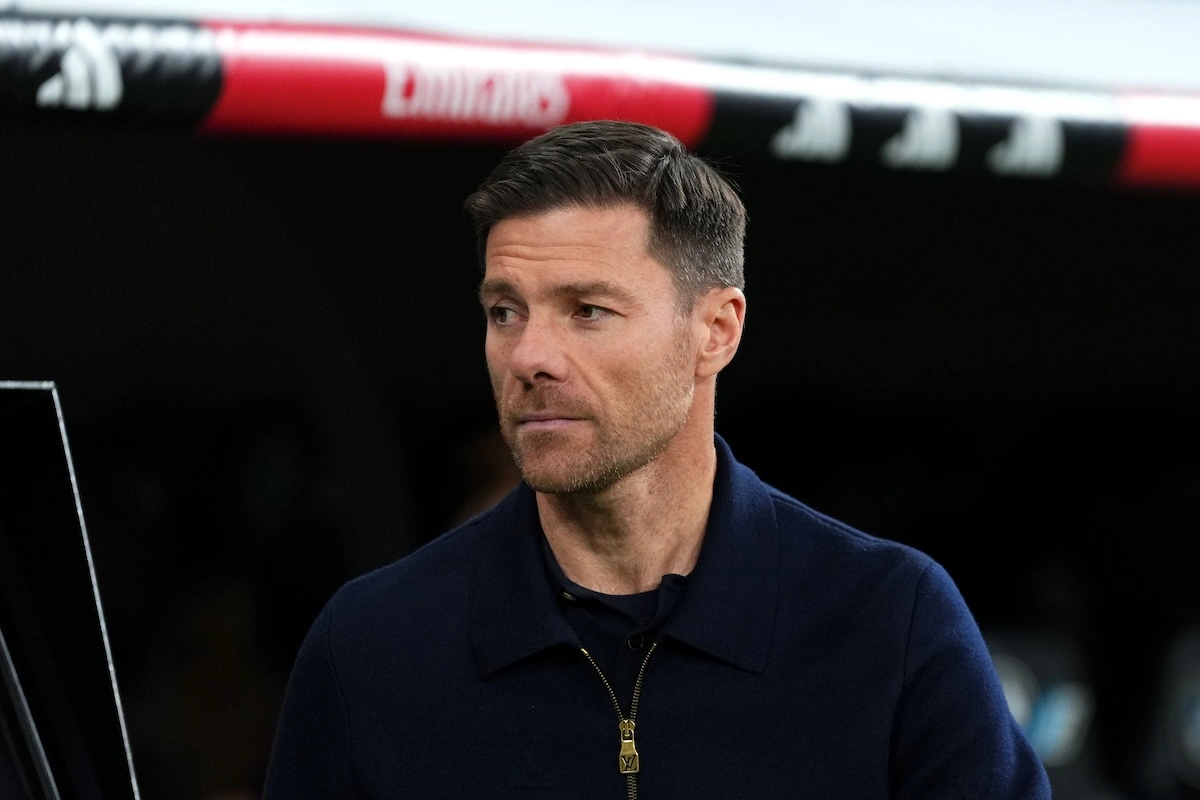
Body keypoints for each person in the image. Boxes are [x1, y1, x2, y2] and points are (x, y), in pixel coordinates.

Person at [262, 120, 1050, 799]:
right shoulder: (374, 646)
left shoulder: (887, 623)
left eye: (587, 310)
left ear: (716, 331)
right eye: (505, 311)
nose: (530, 355)